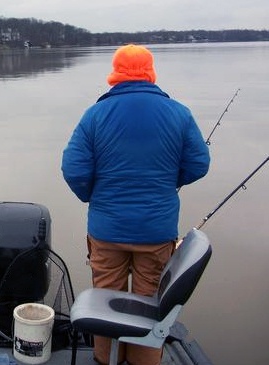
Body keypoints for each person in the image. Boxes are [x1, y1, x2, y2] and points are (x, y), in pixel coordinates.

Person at [61, 44, 210, 365]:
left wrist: (94, 196)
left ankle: (106, 359)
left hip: (106, 230)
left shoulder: (95, 114)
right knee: (150, 303)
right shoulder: (179, 113)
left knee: (105, 301)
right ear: (150, 72)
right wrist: (170, 181)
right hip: (156, 233)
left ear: (115, 73)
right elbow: (199, 164)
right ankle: (143, 360)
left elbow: (73, 169)